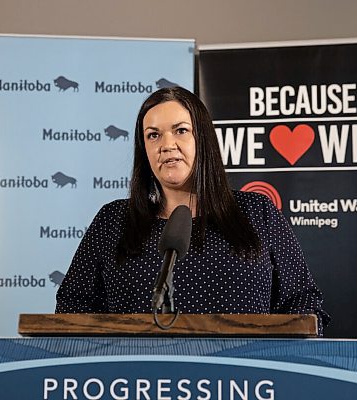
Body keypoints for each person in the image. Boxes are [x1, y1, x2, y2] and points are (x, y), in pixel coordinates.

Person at [56, 86, 330, 334]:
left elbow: (303, 301)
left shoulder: (257, 213)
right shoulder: (114, 222)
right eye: (153, 135)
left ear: (203, 139)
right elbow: (71, 308)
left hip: (244, 382)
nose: (166, 145)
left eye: (180, 130)